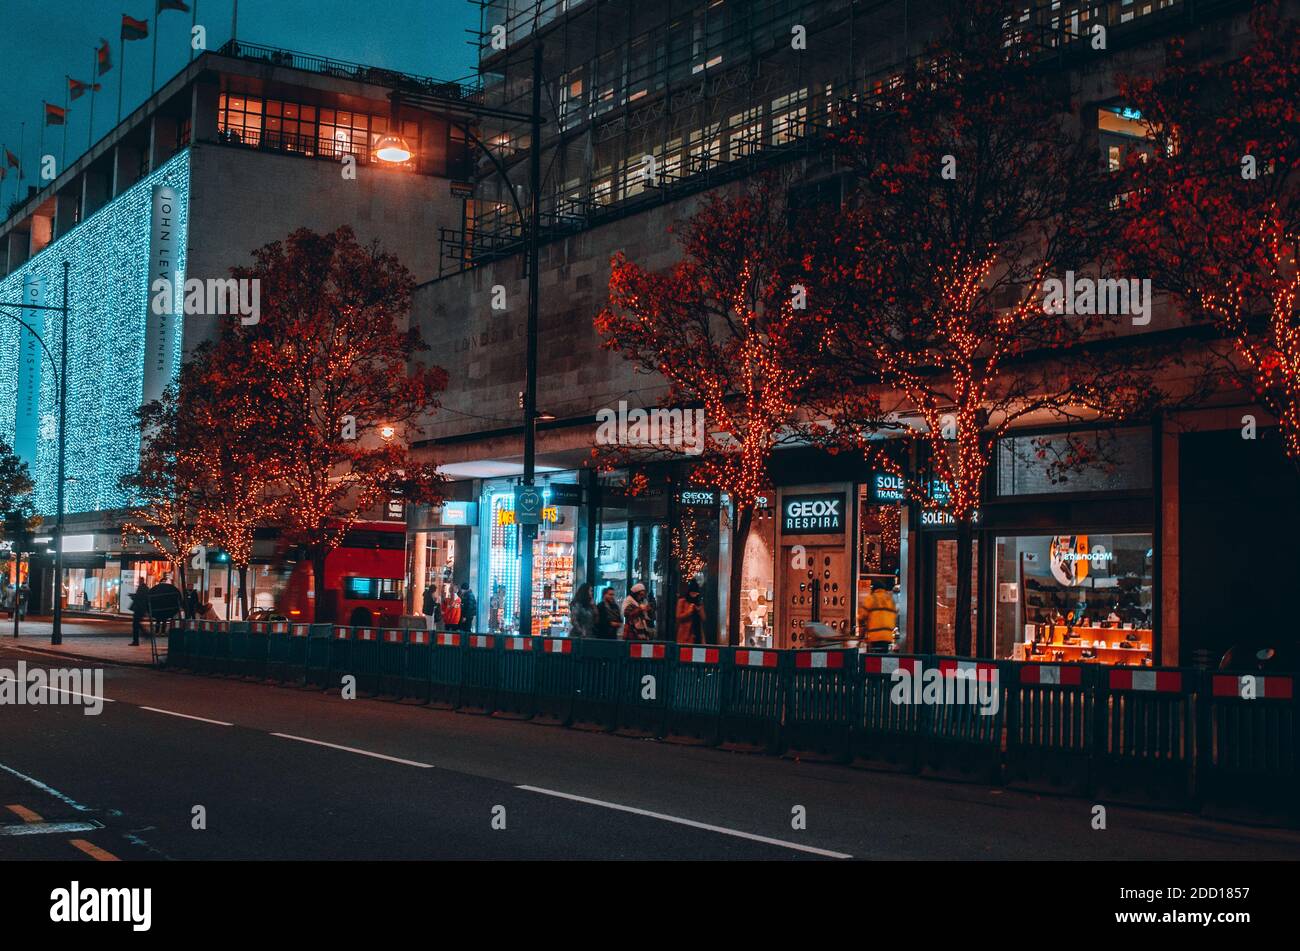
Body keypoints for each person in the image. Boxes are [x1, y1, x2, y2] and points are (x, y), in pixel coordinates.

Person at [863, 580, 898, 652]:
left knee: (874, 659)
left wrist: (862, 632)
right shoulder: (890, 600)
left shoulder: (871, 598)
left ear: (873, 589)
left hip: (874, 636)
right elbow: (895, 616)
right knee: (883, 656)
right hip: (887, 637)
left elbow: (862, 615)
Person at [675, 579, 705, 645]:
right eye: (692, 593)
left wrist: (699, 609)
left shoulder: (698, 602)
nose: (694, 595)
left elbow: (703, 618)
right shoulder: (682, 601)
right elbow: (678, 616)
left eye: (696, 593)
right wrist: (689, 612)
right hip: (685, 635)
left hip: (697, 635)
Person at [130, 580, 151, 646]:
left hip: (138, 609)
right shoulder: (146, 589)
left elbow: (138, 598)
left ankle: (138, 640)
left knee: (135, 624)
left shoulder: (141, 588)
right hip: (141, 609)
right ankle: (145, 635)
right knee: (137, 624)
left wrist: (133, 596)